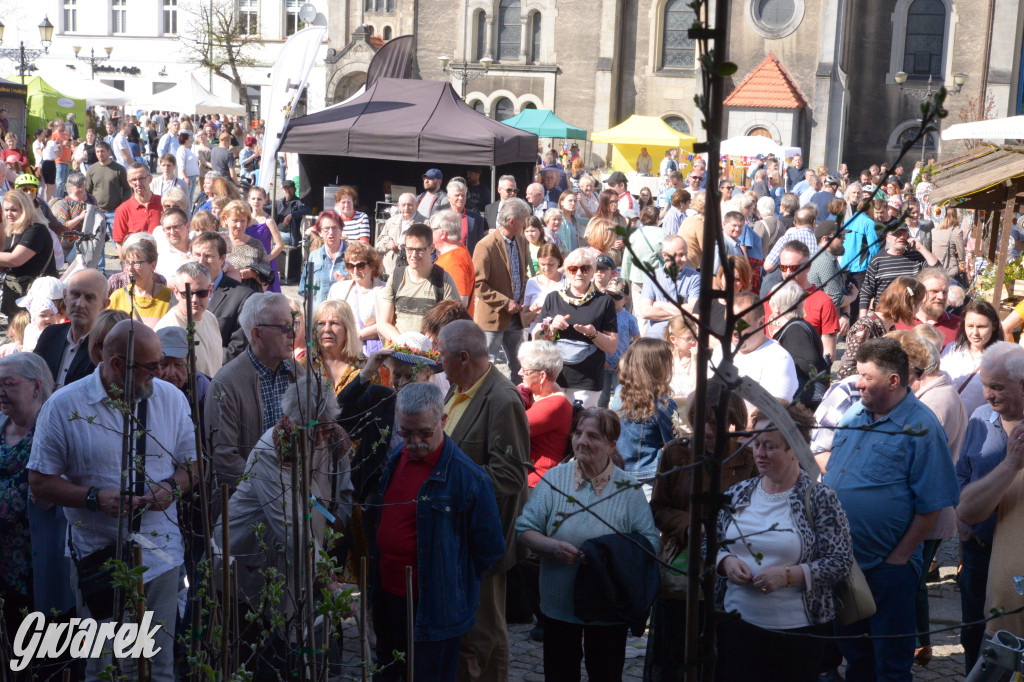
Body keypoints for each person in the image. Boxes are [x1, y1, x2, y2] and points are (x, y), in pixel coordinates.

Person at [28, 321, 197, 682]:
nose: (158, 375)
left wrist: (172, 487)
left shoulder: (171, 399)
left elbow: (193, 467)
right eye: (149, 368)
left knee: (158, 666)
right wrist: (92, 497)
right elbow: (39, 482)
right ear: (117, 364)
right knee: (103, 667)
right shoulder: (64, 405)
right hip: (96, 559)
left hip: (162, 556)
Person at [824, 337, 960, 682]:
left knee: (891, 666)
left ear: (893, 381)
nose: (857, 383)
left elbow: (932, 503)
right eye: (858, 374)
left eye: (866, 377)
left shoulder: (922, 428)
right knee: (855, 657)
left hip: (887, 570)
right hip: (845, 562)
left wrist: (899, 558)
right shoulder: (857, 412)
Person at [372, 382, 506, 682]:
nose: (414, 442)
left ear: (442, 421)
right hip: (389, 596)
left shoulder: (468, 477)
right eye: (406, 433)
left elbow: (489, 548)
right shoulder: (396, 459)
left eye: (423, 433)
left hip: (432, 604)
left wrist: (451, 581)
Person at [516, 407, 660, 681]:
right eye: (578, 433)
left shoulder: (628, 490)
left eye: (593, 436)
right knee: (559, 674)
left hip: (608, 604)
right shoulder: (555, 480)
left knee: (606, 673)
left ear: (611, 445)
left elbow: (649, 544)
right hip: (560, 602)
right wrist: (553, 547)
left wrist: (607, 555)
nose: (582, 441)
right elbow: (525, 528)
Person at [715, 402, 853, 682]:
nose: (759, 453)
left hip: (796, 633)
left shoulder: (819, 498)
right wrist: (725, 561)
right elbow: (709, 545)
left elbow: (840, 562)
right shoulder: (738, 493)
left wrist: (788, 575)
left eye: (769, 446)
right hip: (736, 626)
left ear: (794, 449)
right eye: (755, 444)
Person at [436, 320, 530, 682]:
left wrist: (445, 483)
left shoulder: (502, 399)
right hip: (457, 535)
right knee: (466, 634)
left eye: (442, 356)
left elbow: (509, 477)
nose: (438, 363)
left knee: (485, 634)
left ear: (463, 357)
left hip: (485, 541)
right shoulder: (460, 388)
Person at [954, 342, 1024, 673]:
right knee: (974, 635)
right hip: (980, 554)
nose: (987, 395)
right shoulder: (981, 419)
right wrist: (962, 520)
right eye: (984, 385)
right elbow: (961, 476)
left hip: (1017, 567)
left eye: (996, 387)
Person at [206, 292, 300, 491]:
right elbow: (225, 459)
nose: (293, 333)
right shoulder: (226, 383)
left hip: (298, 493)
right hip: (248, 504)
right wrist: (275, 488)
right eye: (284, 327)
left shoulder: (298, 373)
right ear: (257, 334)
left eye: (294, 324)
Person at [0, 353, 56, 639]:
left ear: (36, 387)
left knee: (38, 646)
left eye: (8, 383)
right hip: (3, 565)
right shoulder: (0, 424)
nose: (0, 391)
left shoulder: (54, 430)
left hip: (37, 564)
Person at [536, 248, 619, 407]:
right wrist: (551, 327)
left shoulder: (604, 302)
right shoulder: (553, 298)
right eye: (573, 269)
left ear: (593, 271)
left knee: (579, 427)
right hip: (554, 378)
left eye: (585, 268)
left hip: (587, 380)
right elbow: (537, 338)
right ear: (566, 272)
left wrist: (593, 334)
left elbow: (612, 346)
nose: (578, 273)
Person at [710, 290, 799, 413]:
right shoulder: (719, 352)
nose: (733, 330)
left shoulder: (778, 359)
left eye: (740, 324)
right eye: (728, 322)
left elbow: (770, 416)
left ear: (761, 322)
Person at [472, 198, 531, 380]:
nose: (526, 224)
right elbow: (479, 284)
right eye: (524, 220)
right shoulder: (485, 245)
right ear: (512, 221)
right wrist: (505, 303)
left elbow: (523, 275)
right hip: (493, 317)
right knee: (486, 365)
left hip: (516, 316)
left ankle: (518, 401)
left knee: (519, 365)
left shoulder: (521, 241)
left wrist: (523, 297)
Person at [611, 338, 677, 495]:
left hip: (618, 471)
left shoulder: (620, 392)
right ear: (658, 366)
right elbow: (673, 444)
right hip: (647, 476)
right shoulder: (663, 403)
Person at [378, 223, 461, 342]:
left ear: (432, 248)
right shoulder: (396, 277)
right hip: (399, 353)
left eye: (420, 250)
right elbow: (383, 323)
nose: (414, 255)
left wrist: (432, 339)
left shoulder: (444, 280)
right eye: (409, 249)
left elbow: (454, 324)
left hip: (430, 356)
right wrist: (404, 343)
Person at [835, 276, 925, 380]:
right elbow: (846, 371)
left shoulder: (890, 328)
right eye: (919, 305)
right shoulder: (866, 327)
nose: (919, 310)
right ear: (907, 304)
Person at [33, 268, 108, 388]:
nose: (80, 304)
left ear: (104, 305)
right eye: (75, 294)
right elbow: (32, 379)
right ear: (65, 296)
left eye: (89, 298)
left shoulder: (105, 346)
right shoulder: (50, 334)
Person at [190, 230, 255, 362]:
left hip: (218, 375)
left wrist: (202, 365)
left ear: (222, 259)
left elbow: (237, 349)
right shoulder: (181, 291)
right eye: (196, 255)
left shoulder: (242, 296)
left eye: (208, 256)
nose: (201, 261)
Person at [517, 340, 573, 487]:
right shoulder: (540, 392)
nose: (519, 373)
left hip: (536, 482)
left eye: (524, 370)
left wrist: (520, 392)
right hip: (523, 474)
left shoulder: (555, 405)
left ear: (541, 376)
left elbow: (511, 427)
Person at [767, 281, 830, 408]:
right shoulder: (797, 327)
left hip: (803, 403)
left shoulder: (795, 330)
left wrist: (778, 352)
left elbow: (809, 363)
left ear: (776, 308)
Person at [154, 262, 222, 376]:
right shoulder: (168, 330)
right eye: (187, 294)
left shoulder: (210, 318)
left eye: (201, 293)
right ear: (176, 292)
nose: (194, 299)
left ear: (211, 291)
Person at [940, 300, 1003, 419]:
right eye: (970, 326)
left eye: (981, 326)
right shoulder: (952, 349)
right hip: (947, 422)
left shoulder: (1003, 359)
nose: (975, 333)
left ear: (994, 325)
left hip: (978, 428)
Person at [859, 223, 938, 316]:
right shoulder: (877, 260)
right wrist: (863, 318)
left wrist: (921, 248)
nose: (901, 237)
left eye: (904, 234)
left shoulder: (916, 257)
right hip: (885, 315)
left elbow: (937, 270)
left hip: (911, 315)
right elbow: (866, 291)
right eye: (897, 234)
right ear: (888, 237)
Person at [0, 190, 57, 316]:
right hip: (17, 294)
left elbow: (14, 259)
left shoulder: (36, 230)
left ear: (25, 209)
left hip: (37, 299)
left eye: (13, 210)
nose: (8, 214)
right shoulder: (11, 229)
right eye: (6, 209)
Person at [635, 234, 700, 339]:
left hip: (682, 341)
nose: (684, 259)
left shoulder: (695, 278)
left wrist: (660, 305)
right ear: (665, 255)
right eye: (679, 255)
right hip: (656, 340)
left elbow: (693, 310)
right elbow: (645, 312)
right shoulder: (652, 277)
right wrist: (682, 313)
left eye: (686, 254)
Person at [328, 241, 385, 357]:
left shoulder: (384, 290)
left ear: (372, 265)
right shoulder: (337, 289)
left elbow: (387, 323)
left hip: (369, 353)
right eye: (350, 266)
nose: (354, 270)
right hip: (342, 351)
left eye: (360, 266)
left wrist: (359, 335)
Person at [108, 235, 173, 328]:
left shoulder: (169, 297)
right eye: (127, 263)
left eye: (137, 263)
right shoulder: (117, 297)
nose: (130, 268)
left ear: (153, 265)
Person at [894, 267, 961, 349]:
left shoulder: (959, 325)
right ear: (919, 292)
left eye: (944, 292)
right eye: (934, 291)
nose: (941, 297)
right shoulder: (898, 323)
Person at [112, 162, 163, 259]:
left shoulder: (164, 203)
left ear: (150, 179)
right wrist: (127, 265)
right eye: (134, 180)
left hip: (162, 260)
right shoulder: (123, 210)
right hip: (137, 263)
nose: (138, 183)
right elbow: (120, 243)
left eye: (141, 178)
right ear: (129, 182)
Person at [433, 209, 476, 313]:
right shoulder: (456, 252)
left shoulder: (454, 260)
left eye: (433, 229)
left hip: (449, 325)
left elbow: (460, 302)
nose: (430, 232)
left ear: (442, 233)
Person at [304, 210, 349, 308]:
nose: (331, 233)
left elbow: (363, 288)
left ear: (341, 229)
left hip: (343, 316)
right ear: (320, 232)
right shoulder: (314, 256)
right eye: (326, 229)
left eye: (335, 228)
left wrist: (348, 282)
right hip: (318, 316)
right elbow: (304, 289)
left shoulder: (352, 256)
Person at [221, 199, 270, 288]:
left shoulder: (256, 245)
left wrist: (254, 274)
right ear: (225, 219)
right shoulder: (219, 242)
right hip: (225, 295)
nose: (239, 225)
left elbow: (268, 279)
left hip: (250, 296)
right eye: (235, 220)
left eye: (243, 221)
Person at [244, 187, 284, 292]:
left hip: (265, 263)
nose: (256, 202)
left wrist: (266, 259)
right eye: (253, 199)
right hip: (247, 261)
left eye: (259, 199)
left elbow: (280, 245)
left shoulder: (269, 221)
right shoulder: (245, 219)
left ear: (265, 201)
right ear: (248, 200)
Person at [523, 243, 563, 335]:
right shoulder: (532, 282)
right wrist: (533, 312)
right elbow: (524, 319)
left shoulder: (567, 281)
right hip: (536, 334)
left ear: (559, 261)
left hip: (561, 336)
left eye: (551, 264)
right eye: (542, 264)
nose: (546, 268)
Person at [375, 192, 416, 275]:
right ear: (398, 205)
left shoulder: (424, 223)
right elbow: (378, 245)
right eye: (403, 205)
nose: (406, 208)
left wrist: (407, 247)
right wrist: (388, 244)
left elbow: (430, 250)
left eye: (410, 205)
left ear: (417, 205)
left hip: (411, 273)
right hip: (388, 272)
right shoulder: (391, 221)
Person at [446, 178, 487, 254]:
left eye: (463, 195)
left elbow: (480, 246)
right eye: (457, 195)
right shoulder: (441, 219)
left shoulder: (477, 219)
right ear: (448, 197)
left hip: (467, 263)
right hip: (446, 263)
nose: (461, 198)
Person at [274, 179, 310, 247]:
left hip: (289, 235)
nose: (288, 190)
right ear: (282, 190)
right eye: (286, 188)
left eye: (290, 188)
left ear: (295, 189)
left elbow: (307, 210)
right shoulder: (278, 202)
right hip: (277, 232)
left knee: (271, 240)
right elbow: (266, 208)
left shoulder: (298, 202)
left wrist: (292, 215)